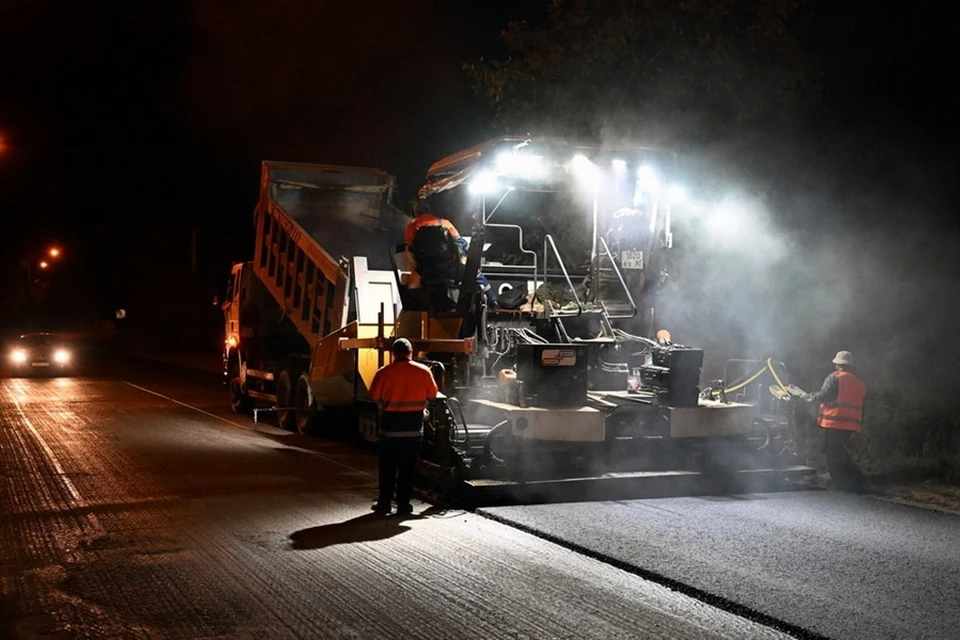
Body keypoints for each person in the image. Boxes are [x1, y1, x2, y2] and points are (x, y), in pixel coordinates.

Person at [368, 337, 439, 515]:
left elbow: (374, 396)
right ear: (411, 353)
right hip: (413, 428)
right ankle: (404, 505)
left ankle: (384, 503)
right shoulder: (423, 371)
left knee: (388, 468)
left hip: (391, 427)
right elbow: (433, 394)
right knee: (408, 468)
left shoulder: (384, 372)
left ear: (393, 354)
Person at [804, 350, 867, 491]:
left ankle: (842, 481)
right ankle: (850, 479)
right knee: (840, 451)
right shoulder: (859, 383)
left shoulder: (835, 378)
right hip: (851, 423)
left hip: (834, 422)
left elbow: (825, 395)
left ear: (837, 364)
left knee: (833, 454)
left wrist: (809, 397)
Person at [405, 199, 466, 289]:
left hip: (424, 269)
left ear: (416, 212)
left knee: (411, 288)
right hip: (447, 268)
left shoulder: (412, 225)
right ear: (429, 211)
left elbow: (409, 248)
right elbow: (460, 241)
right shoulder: (445, 223)